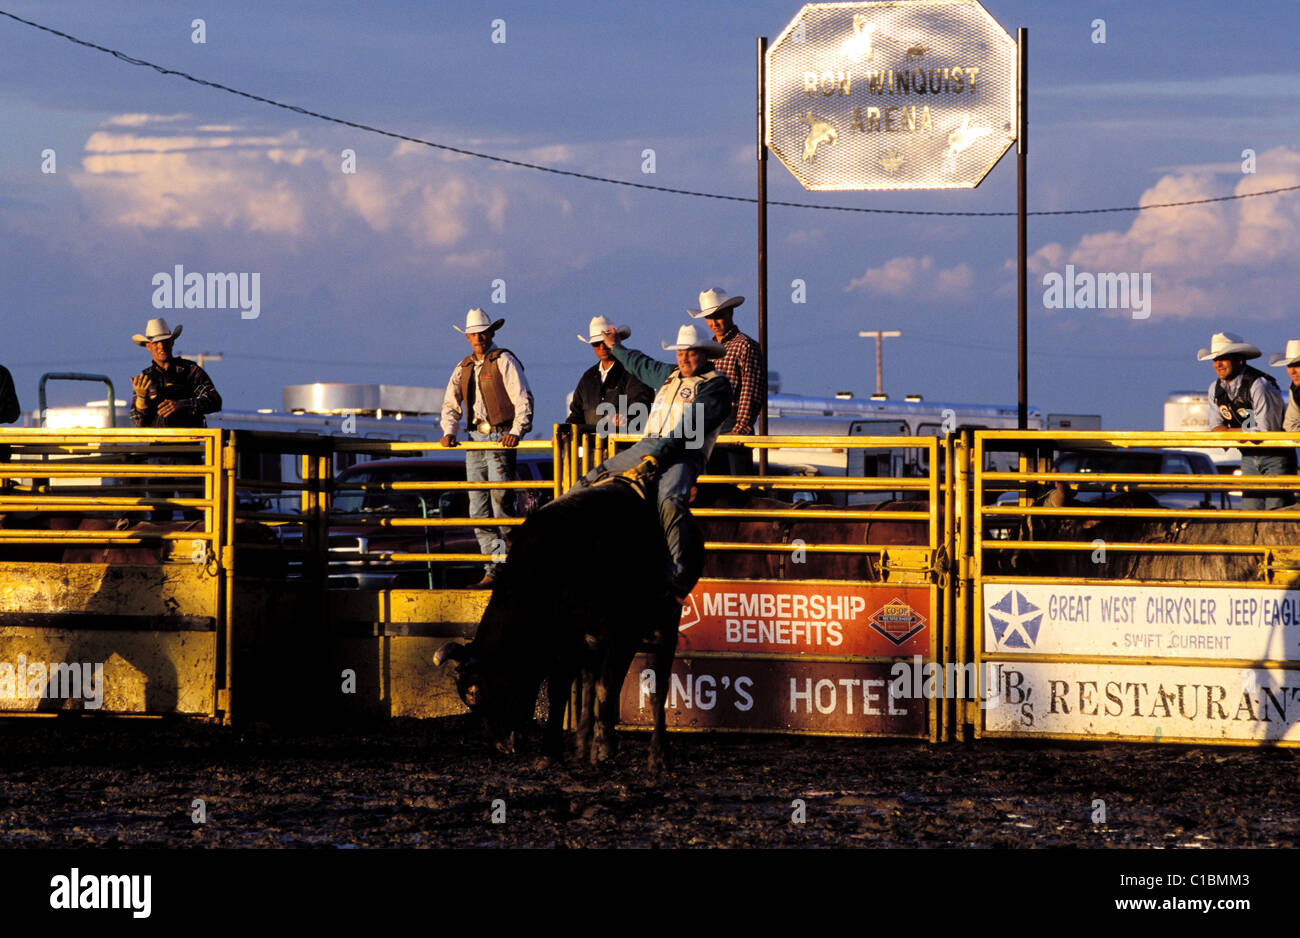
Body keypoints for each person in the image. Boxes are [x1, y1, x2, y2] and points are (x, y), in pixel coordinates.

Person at [572, 322, 732, 603]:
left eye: (690, 353)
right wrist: (615, 346)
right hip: (648, 445)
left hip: (684, 453)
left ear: (705, 354)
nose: (683, 358)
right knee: (590, 479)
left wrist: (658, 455)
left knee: (670, 499)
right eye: (680, 352)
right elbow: (639, 363)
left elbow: (689, 427)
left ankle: (678, 576)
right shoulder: (669, 374)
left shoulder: (716, 386)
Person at [440, 308, 533, 588]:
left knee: (501, 502)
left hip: (499, 435)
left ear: (491, 333)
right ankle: (494, 569)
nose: (478, 337)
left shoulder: (504, 360)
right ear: (467, 337)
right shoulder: (464, 366)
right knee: (478, 508)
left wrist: (516, 431)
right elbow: (450, 402)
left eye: (482, 332)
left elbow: (522, 398)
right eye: (474, 333)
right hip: (475, 438)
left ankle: (511, 566)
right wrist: (449, 431)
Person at [1200, 331, 1294, 510]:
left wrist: (1229, 433)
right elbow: (1216, 427)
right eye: (1215, 360)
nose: (1217, 365)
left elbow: (1267, 431)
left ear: (1240, 360)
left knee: (1277, 512)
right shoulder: (1215, 389)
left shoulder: (1260, 385)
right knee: (1251, 512)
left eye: (1223, 359)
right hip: (1248, 454)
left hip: (1275, 456)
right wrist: (1238, 433)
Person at [688, 288, 766, 478]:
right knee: (711, 484)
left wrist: (741, 428)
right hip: (708, 422)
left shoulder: (744, 345)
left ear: (730, 313)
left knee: (738, 484)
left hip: (732, 420)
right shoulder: (706, 349)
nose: (714, 323)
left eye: (719, 316)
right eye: (709, 318)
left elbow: (751, 389)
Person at [129, 319, 222, 428]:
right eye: (155, 343)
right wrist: (141, 398)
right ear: (148, 346)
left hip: (189, 441)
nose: (161, 347)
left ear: (172, 342)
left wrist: (182, 405)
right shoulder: (144, 379)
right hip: (158, 442)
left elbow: (215, 401)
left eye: (165, 341)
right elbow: (138, 423)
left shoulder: (190, 371)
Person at [566, 316, 654, 432]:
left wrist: (627, 420)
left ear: (616, 341)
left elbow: (641, 406)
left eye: (604, 342)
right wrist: (565, 430)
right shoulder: (588, 378)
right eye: (596, 343)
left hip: (625, 447)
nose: (601, 347)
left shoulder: (633, 371)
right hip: (592, 448)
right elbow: (576, 414)